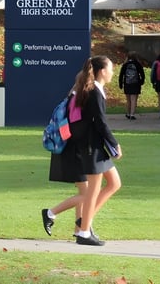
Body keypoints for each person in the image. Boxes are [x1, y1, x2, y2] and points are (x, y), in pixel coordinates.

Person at [73, 56, 122, 246]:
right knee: (93, 190)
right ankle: (84, 232)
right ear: (102, 71)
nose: (112, 72)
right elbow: (100, 123)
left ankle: (84, 220)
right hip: (91, 147)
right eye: (111, 68)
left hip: (96, 146)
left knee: (114, 183)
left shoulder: (95, 89)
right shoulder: (93, 91)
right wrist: (114, 143)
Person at [42, 80, 87, 238]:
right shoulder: (76, 102)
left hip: (70, 149)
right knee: (88, 194)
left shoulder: (69, 100)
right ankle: (51, 213)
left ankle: (79, 230)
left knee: (84, 191)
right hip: (75, 151)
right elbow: (77, 129)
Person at [117, 52, 145, 120]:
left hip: (127, 84)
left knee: (128, 100)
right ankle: (132, 114)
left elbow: (121, 75)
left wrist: (121, 84)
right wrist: (141, 82)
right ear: (135, 57)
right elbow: (142, 74)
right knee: (133, 100)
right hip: (135, 84)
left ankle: (128, 113)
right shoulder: (137, 64)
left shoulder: (125, 65)